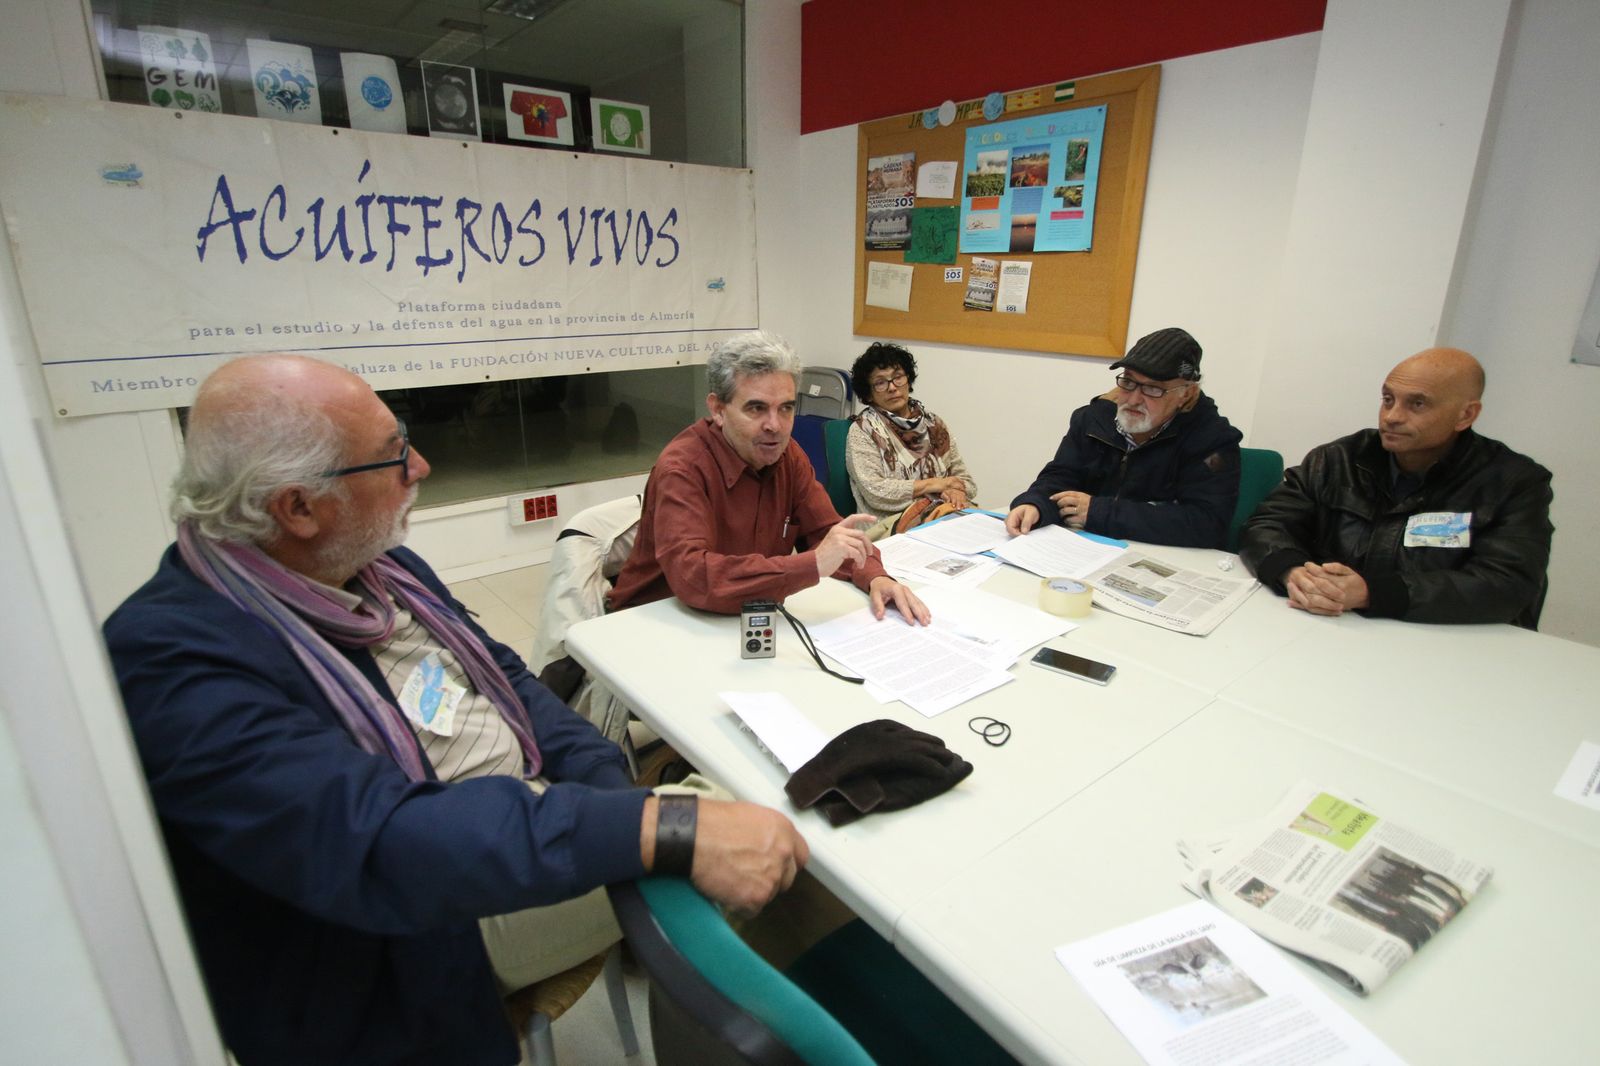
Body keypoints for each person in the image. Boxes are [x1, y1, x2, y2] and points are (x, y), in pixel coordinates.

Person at [103, 354, 809, 1066]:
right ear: (298, 507)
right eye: (391, 456)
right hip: (419, 930)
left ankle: (686, 971)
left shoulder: (380, 567)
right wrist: (655, 826)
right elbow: (383, 841)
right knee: (770, 819)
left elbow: (512, 682)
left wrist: (612, 798)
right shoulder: (172, 663)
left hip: (524, 821)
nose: (423, 466)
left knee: (736, 811)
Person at [608, 330, 930, 623]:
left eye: (786, 408)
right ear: (718, 410)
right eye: (756, 408)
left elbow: (829, 534)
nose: (775, 426)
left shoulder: (787, 454)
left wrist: (877, 577)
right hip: (653, 623)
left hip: (738, 619)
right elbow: (696, 578)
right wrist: (813, 564)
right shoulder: (683, 469)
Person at [1238, 347, 1553, 626]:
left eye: (1417, 404)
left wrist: (1371, 593)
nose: (1392, 416)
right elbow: (1268, 524)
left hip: (1445, 644)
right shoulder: (1338, 459)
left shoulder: (1513, 482)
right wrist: (1292, 572)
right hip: (1333, 628)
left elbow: (1506, 583)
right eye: (1388, 399)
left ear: (1465, 415)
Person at [1005, 327, 1242, 547]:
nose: (1134, 399)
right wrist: (1036, 503)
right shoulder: (1094, 419)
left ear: (1186, 393)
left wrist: (1099, 512)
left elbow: (1207, 522)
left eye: (1152, 389)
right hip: (1084, 548)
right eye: (1128, 382)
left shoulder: (1213, 439)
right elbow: (1061, 476)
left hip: (1158, 558)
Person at [844, 341, 978, 534]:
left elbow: (967, 482)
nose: (892, 387)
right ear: (869, 393)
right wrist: (936, 484)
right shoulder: (863, 430)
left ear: (908, 380)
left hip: (942, 514)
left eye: (897, 377)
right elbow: (876, 492)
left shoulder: (934, 424)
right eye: (881, 383)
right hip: (890, 526)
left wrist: (956, 490)